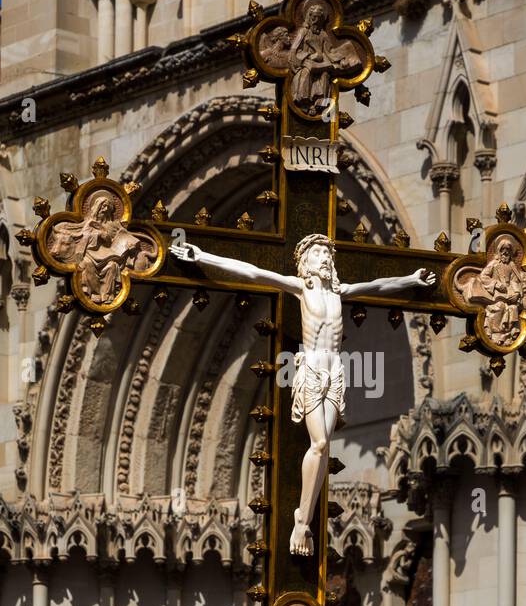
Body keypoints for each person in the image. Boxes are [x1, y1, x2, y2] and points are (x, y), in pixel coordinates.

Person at [171, 233, 435, 555]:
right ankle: (301, 520)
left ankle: (305, 519)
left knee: (323, 447)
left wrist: (410, 279)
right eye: (318, 253)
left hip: (335, 372)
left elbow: (378, 286)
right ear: (305, 262)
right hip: (310, 369)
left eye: (327, 253)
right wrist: (202, 256)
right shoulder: (300, 288)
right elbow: (252, 272)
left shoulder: (340, 292)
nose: (325, 258)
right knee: (320, 442)